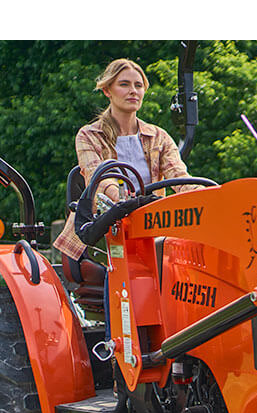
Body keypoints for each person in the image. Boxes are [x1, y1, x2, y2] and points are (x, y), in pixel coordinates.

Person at [53, 57, 198, 265]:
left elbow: (179, 178)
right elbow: (100, 178)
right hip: (101, 234)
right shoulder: (90, 135)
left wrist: (207, 196)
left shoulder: (159, 137)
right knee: (124, 270)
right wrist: (123, 201)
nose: (133, 91)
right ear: (107, 91)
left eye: (138, 86)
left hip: (150, 229)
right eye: (124, 84)